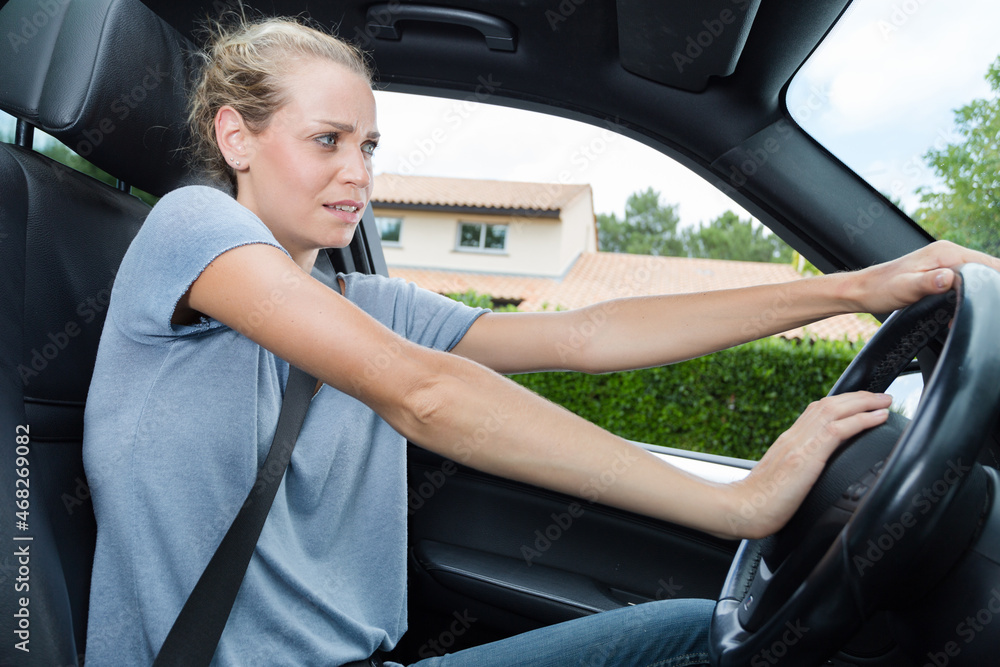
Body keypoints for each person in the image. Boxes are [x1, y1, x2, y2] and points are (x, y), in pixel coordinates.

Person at [81, 14, 1000, 667]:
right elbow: (423, 391)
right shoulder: (189, 227)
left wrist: (858, 288)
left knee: (696, 630)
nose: (358, 173)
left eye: (369, 145)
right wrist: (741, 505)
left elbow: (590, 334)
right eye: (326, 141)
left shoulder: (368, 302)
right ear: (235, 136)